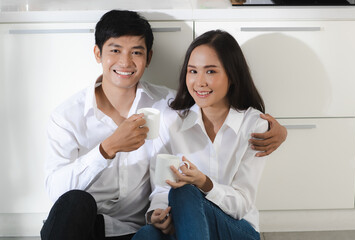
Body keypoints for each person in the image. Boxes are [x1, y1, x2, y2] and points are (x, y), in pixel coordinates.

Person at [41, 9, 286, 240]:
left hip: (134, 228)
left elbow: (213, 105)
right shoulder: (67, 116)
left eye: (136, 52)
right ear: (98, 54)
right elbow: (56, 193)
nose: (125, 62)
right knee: (75, 202)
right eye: (115, 50)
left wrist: (280, 131)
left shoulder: (168, 107)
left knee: (172, 206)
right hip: (86, 225)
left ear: (149, 58)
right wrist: (106, 150)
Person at [133, 30, 274, 240]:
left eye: (210, 72)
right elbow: (162, 187)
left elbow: (242, 205)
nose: (199, 82)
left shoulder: (254, 125)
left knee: (186, 191)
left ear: (232, 75)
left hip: (236, 229)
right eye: (193, 71)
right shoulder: (170, 119)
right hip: (187, 224)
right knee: (147, 234)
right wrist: (158, 213)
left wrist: (205, 184)